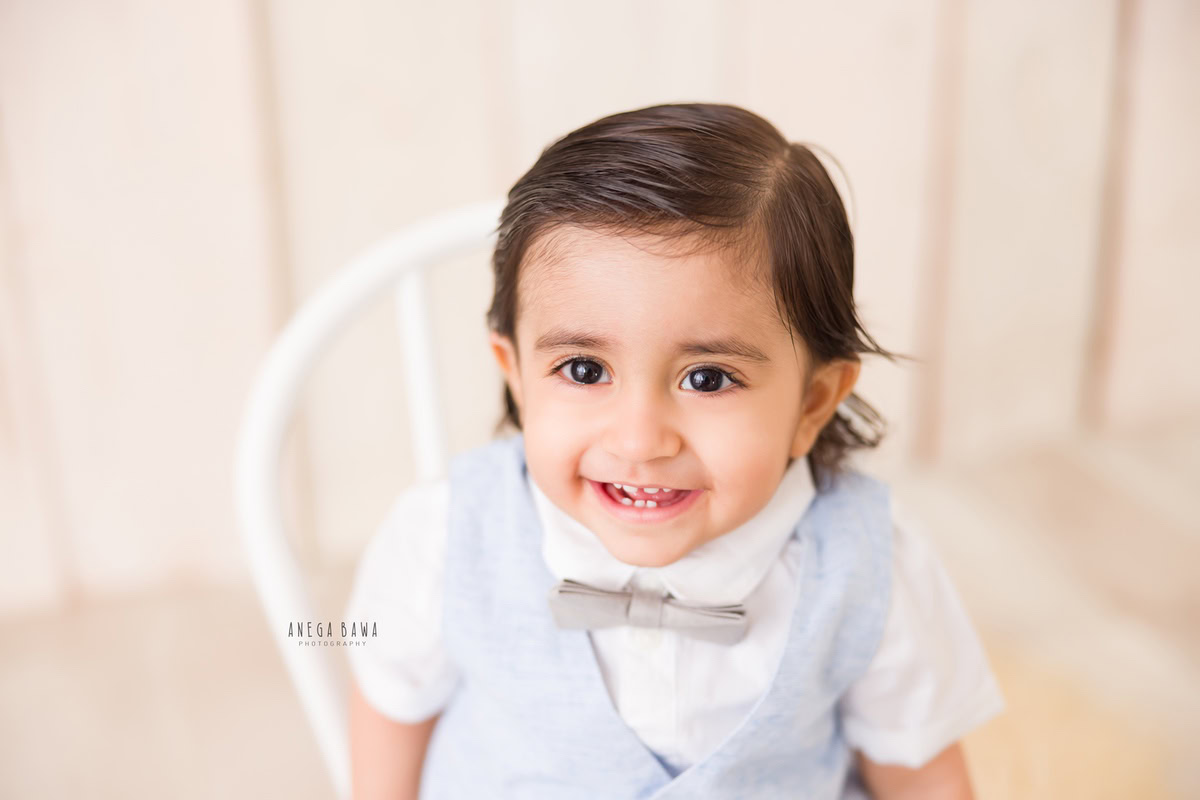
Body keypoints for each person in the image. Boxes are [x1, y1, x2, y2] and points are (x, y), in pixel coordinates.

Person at [345, 103, 1003, 799]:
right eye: (584, 370)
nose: (639, 440)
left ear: (813, 402)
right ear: (515, 374)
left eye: (708, 378)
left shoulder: (868, 565)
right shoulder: (446, 536)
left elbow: (920, 772)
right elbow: (392, 704)